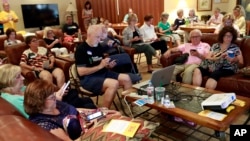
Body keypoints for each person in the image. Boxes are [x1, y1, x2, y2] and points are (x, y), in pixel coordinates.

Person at [24, 79, 121, 141]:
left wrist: (101, 112)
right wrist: (96, 127)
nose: (55, 97)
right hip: (86, 135)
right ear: (39, 102)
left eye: (53, 94)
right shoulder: (44, 124)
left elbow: (75, 110)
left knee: (116, 116)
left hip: (87, 123)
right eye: (51, 97)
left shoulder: (53, 105)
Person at [0, 64, 97, 119]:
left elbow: (40, 95)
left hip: (51, 103)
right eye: (18, 76)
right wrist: (56, 98)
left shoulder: (20, 88)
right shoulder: (13, 100)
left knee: (80, 96)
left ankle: (93, 115)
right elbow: (36, 112)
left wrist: (55, 94)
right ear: (8, 80)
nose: (22, 78)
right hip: (51, 110)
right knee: (87, 104)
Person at [75, 24, 132, 108]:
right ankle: (105, 112)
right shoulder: (81, 49)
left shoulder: (98, 46)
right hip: (88, 79)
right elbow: (81, 72)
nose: (99, 40)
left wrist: (108, 66)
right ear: (89, 35)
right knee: (113, 84)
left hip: (103, 73)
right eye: (97, 37)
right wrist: (100, 66)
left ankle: (129, 105)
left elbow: (101, 64)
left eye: (100, 37)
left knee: (126, 78)